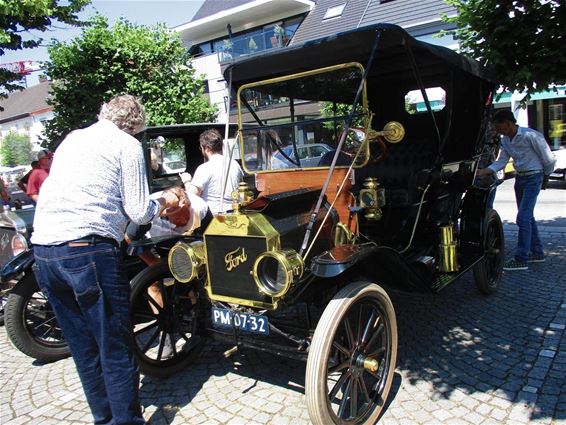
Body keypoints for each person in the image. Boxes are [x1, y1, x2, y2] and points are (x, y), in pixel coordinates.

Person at [31, 94, 180, 425]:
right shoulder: (126, 145)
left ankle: (105, 419)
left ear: (104, 114)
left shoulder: (72, 139)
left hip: (43, 251)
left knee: (84, 350)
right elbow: (139, 211)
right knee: (114, 345)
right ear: (136, 126)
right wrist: (165, 200)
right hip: (86, 250)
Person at [476, 109, 556, 271]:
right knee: (527, 217)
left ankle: (521, 258)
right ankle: (538, 252)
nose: (497, 131)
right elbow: (502, 161)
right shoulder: (506, 140)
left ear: (508, 123)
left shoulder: (531, 136)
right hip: (520, 179)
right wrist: (484, 171)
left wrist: (546, 177)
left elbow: (548, 159)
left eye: (499, 127)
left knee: (523, 217)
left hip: (534, 177)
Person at [187, 128, 243, 214]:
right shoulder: (235, 164)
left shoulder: (204, 168)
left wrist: (186, 181)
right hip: (235, 212)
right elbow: (241, 188)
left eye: (201, 148)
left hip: (213, 217)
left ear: (206, 148)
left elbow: (191, 197)